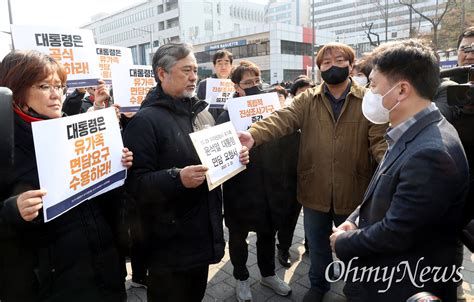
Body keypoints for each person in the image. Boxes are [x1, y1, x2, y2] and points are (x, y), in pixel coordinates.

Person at [237, 43, 388, 302]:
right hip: (314, 189)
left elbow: (380, 143)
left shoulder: (369, 101)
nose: (332, 66)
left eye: (339, 60)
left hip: (354, 191)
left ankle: (356, 288)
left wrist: (393, 170)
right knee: (317, 247)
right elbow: (282, 118)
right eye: (326, 63)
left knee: (354, 248)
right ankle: (318, 285)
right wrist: (253, 135)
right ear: (319, 70)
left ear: (351, 66)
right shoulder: (308, 99)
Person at [330, 39, 469, 302]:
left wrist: (343, 242)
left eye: (372, 84)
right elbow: (383, 191)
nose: (368, 92)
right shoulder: (410, 129)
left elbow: (398, 232)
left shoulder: (430, 153)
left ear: (402, 89)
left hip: (402, 285)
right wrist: (355, 220)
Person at [0, 50, 133, 301]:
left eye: (60, 86)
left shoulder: (77, 131)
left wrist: (115, 166)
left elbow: (103, 203)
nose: (56, 95)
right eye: (44, 86)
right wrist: (12, 211)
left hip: (103, 270)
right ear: (16, 89)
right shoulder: (5, 145)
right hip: (49, 286)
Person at [123, 43, 249, 302]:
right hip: (169, 248)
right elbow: (135, 186)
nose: (194, 77)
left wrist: (235, 157)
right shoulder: (144, 122)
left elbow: (215, 162)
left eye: (195, 70)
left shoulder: (201, 113)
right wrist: (177, 178)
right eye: (186, 70)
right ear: (162, 74)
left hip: (203, 236)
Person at [217, 61, 294, 301]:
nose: (254, 86)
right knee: (238, 236)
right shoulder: (226, 113)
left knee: (267, 233)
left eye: (257, 81)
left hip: (269, 184)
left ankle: (269, 274)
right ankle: (241, 278)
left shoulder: (273, 107)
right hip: (238, 185)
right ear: (236, 86)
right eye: (248, 83)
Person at [196, 49, 233, 120]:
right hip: (211, 125)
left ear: (231, 65)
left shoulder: (237, 84)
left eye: (226, 63)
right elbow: (199, 110)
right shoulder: (204, 84)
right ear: (214, 65)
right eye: (219, 63)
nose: (223, 67)